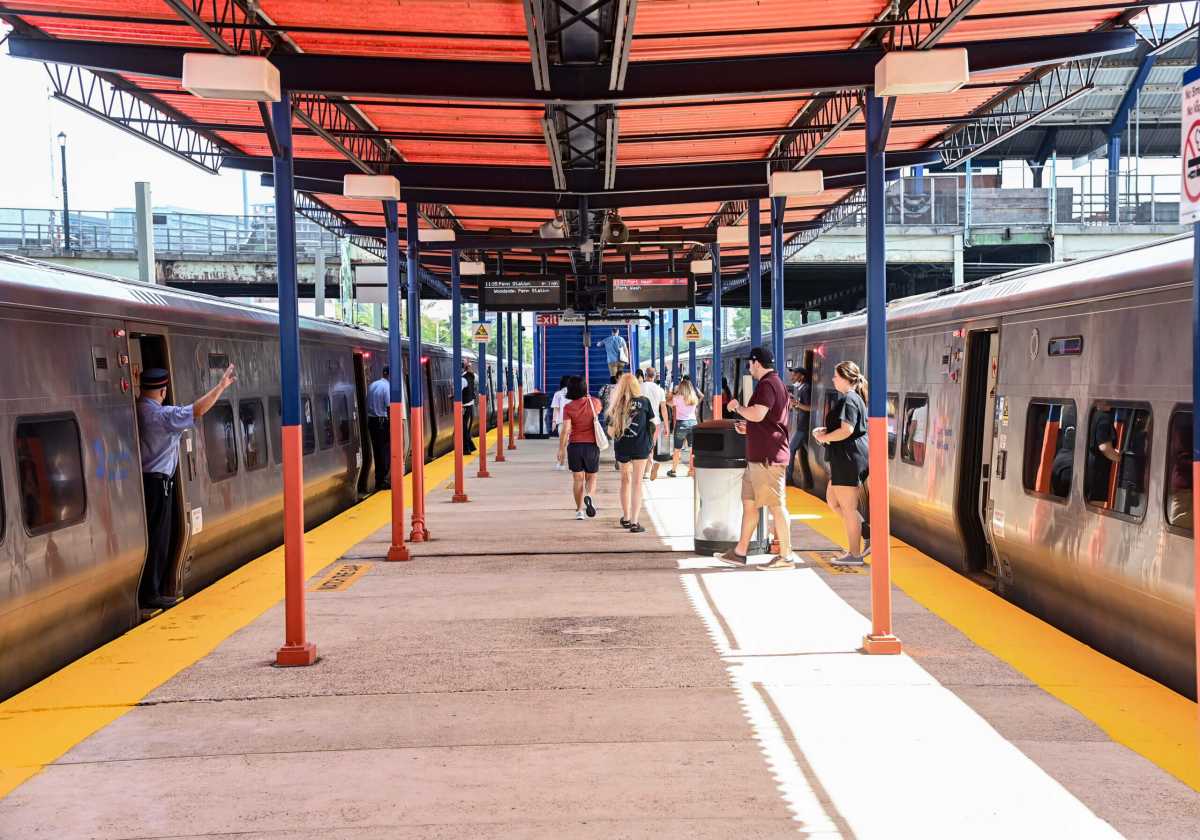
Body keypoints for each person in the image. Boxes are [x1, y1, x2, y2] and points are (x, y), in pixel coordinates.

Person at [137, 364, 237, 609]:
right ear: (163, 391)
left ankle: (152, 589)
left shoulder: (137, 410)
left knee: (154, 535)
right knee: (159, 538)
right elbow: (197, 410)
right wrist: (221, 386)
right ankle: (152, 592)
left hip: (144, 483)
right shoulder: (163, 416)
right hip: (158, 484)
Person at [718, 346, 798, 571]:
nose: (748, 368)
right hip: (759, 457)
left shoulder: (767, 384)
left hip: (768, 458)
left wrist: (738, 407)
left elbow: (758, 413)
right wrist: (751, 429)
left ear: (756, 363)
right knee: (750, 504)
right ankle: (740, 552)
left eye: (749, 363)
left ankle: (786, 556)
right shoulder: (775, 383)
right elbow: (766, 420)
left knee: (776, 506)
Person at [813, 361, 871, 566]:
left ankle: (854, 554)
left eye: (836, 376)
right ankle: (867, 532)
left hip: (848, 458)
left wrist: (824, 437)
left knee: (848, 508)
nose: (833, 379)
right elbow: (847, 428)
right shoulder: (853, 399)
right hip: (846, 457)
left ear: (846, 378)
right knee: (833, 501)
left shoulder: (849, 399)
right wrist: (826, 433)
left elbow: (847, 430)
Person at [608, 373, 654, 533]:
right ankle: (635, 522)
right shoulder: (645, 402)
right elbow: (652, 424)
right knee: (637, 483)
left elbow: (610, 432)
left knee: (625, 480)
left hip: (622, 447)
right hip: (641, 446)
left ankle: (626, 518)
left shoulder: (616, 404)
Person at [556, 376, 603, 520]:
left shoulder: (568, 407)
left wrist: (561, 449)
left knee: (578, 479)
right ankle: (589, 496)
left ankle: (579, 511)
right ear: (584, 388)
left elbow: (566, 430)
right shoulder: (595, 402)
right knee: (591, 477)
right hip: (591, 446)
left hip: (575, 446)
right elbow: (598, 411)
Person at [668, 376, 702, 477]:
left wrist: (672, 393)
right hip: (693, 424)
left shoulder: (678, 398)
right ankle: (692, 470)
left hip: (681, 425)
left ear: (681, 388)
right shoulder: (694, 398)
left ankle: (673, 471)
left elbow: (668, 402)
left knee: (677, 449)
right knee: (692, 449)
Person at [640, 367, 669, 480]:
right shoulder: (660, 390)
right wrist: (666, 425)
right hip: (655, 421)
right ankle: (647, 471)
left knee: (641, 444)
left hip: (641, 420)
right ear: (655, 376)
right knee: (651, 445)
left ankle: (642, 469)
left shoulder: (639, 387)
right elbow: (663, 409)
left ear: (645, 375)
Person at [786, 367, 813, 490]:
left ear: (802, 376)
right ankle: (808, 481)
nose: (792, 377)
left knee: (791, 449)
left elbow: (811, 407)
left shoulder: (806, 389)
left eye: (795, 374)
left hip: (804, 427)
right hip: (802, 426)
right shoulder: (801, 389)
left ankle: (788, 479)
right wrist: (796, 404)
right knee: (806, 451)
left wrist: (797, 404)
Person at [366, 366, 391, 491]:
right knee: (385, 451)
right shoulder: (387, 387)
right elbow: (389, 407)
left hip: (372, 422)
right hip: (382, 422)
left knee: (377, 451)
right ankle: (383, 480)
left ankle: (379, 479)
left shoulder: (372, 385)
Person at [550, 375, 570, 470]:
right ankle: (574, 464)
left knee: (563, 444)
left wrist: (554, 421)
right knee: (573, 444)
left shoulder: (558, 394)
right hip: (573, 423)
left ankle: (561, 464)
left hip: (562, 422)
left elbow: (556, 409)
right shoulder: (574, 393)